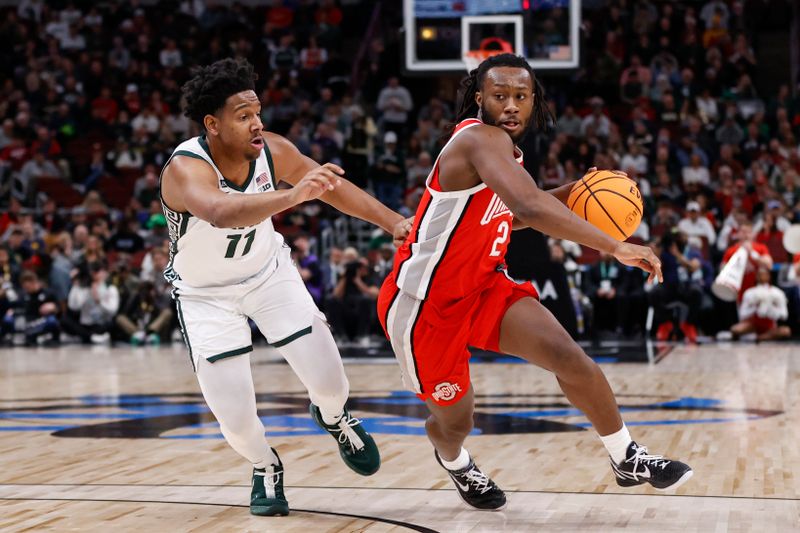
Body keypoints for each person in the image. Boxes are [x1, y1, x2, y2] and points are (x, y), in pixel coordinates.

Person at [377, 54, 692, 511]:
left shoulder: (505, 152)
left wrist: (576, 191)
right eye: (500, 95)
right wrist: (616, 246)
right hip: (425, 304)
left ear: (533, 101)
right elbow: (527, 209)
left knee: (570, 358)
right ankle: (456, 461)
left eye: (521, 97)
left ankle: (626, 456)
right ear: (479, 98)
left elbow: (510, 210)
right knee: (454, 422)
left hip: (485, 287)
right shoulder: (479, 140)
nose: (511, 106)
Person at [159, 59, 411, 517]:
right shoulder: (185, 168)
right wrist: (295, 195)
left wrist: (394, 221)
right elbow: (220, 211)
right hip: (204, 295)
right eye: (243, 115)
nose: (257, 123)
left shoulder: (273, 150)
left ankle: (333, 417)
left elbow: (331, 186)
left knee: (332, 382)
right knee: (234, 420)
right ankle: (264, 464)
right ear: (212, 125)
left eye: (257, 112)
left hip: (268, 275)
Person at [730, 267, 791, 341]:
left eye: (764, 274)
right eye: (759, 274)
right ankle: (761, 337)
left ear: (769, 276)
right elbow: (742, 314)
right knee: (735, 329)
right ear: (756, 276)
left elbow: (784, 315)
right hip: (753, 325)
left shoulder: (777, 292)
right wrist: (756, 307)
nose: (762, 277)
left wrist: (769, 308)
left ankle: (760, 337)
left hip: (770, 326)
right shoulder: (749, 292)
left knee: (786, 331)